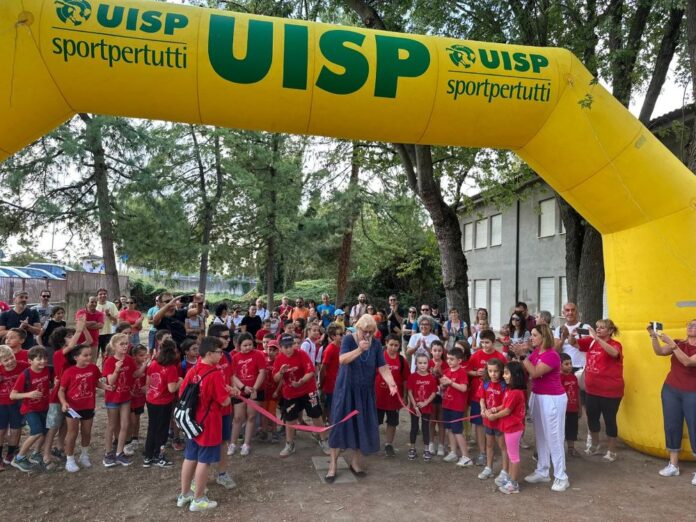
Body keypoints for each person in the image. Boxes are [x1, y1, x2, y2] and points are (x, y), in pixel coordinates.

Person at [325, 315, 398, 482]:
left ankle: (355, 463)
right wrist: (360, 349)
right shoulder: (348, 340)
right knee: (339, 426)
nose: (368, 335)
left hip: (365, 392)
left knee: (361, 426)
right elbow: (342, 359)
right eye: (365, 331)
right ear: (358, 328)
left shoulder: (376, 344)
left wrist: (391, 383)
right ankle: (332, 466)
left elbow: (383, 367)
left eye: (371, 332)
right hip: (346, 390)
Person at [178, 336, 233, 512]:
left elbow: (182, 392)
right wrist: (229, 393)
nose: (221, 355)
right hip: (209, 422)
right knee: (204, 461)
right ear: (209, 354)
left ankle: (185, 494)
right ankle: (199, 499)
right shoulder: (214, 373)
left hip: (192, 421)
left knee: (190, 457)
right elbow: (224, 401)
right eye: (219, 352)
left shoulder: (193, 369)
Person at [521, 324, 569, 492]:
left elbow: (534, 372)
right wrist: (522, 355)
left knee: (554, 436)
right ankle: (543, 470)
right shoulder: (536, 352)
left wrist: (523, 356)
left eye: (535, 335)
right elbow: (528, 369)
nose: (531, 337)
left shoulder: (552, 355)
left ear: (543, 336)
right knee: (540, 435)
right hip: (537, 395)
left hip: (552, 398)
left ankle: (561, 476)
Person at [648, 319, 696, 482]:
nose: (691, 327)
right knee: (671, 425)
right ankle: (673, 465)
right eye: (690, 324)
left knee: (695, 427)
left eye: (695, 325)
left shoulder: (676, 345)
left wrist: (673, 345)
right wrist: (653, 337)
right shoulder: (679, 343)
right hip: (671, 390)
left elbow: (688, 362)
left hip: (693, 392)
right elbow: (660, 351)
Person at [273, 334, 330, 458]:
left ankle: (323, 440)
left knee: (316, 415)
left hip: (308, 390)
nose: (289, 349)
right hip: (290, 393)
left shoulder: (301, 354)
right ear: (280, 348)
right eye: (285, 347)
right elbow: (276, 378)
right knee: (290, 419)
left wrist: (301, 382)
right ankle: (289, 444)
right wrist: (281, 372)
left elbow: (311, 371)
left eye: (291, 346)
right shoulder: (279, 359)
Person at [58, 343, 111, 473]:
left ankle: (84, 455)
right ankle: (70, 459)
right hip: (73, 408)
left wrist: (105, 387)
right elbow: (61, 390)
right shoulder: (69, 372)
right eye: (85, 355)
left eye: (90, 355)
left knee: (86, 432)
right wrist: (64, 403)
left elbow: (96, 382)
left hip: (88, 405)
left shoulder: (93, 368)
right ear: (76, 357)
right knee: (72, 433)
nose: (89, 357)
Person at [578, 319, 624, 462]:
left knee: (610, 420)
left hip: (610, 391)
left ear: (610, 331)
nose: (598, 329)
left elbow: (614, 353)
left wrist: (597, 338)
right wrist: (569, 335)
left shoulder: (615, 344)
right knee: (592, 418)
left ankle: (612, 451)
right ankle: (596, 444)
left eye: (602, 328)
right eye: (597, 327)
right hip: (592, 389)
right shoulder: (592, 342)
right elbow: (574, 344)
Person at [485, 361, 527, 494]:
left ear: (515, 375)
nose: (504, 376)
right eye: (504, 373)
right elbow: (504, 405)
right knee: (510, 454)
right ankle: (510, 478)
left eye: (507, 373)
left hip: (513, 428)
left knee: (514, 457)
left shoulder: (515, 393)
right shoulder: (510, 390)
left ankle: (513, 484)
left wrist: (494, 416)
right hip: (509, 427)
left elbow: (507, 411)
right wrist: (494, 409)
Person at [467, 329, 507, 467]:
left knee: (496, 424)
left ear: (493, 342)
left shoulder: (500, 357)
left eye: (487, 342)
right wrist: (475, 373)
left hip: (497, 398)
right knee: (479, 424)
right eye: (482, 342)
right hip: (479, 396)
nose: (484, 345)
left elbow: (506, 373)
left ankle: (494, 450)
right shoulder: (476, 355)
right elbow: (467, 370)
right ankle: (483, 452)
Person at [102, 333, 141, 467]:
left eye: (126, 343)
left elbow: (134, 374)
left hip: (126, 397)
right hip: (113, 398)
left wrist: (145, 365)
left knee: (125, 424)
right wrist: (117, 370)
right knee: (112, 425)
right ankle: (108, 453)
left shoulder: (129, 359)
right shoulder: (109, 361)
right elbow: (111, 381)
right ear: (114, 346)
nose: (125, 346)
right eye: (122, 344)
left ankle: (119, 453)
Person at [9, 346, 50, 471]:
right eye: (39, 359)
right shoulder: (25, 375)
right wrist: (28, 394)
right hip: (30, 409)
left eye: (45, 358)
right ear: (30, 361)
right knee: (36, 431)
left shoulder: (48, 369)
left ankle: (36, 453)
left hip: (44, 406)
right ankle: (19, 458)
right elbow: (13, 395)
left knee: (45, 431)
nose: (43, 361)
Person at [144, 339, 182, 468]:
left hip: (151, 400)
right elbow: (172, 388)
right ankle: (159, 456)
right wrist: (180, 381)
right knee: (162, 430)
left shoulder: (153, 364)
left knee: (152, 428)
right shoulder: (171, 368)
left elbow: (148, 383)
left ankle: (148, 456)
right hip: (163, 403)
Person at [229, 332, 266, 457]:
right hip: (241, 391)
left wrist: (254, 388)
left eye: (250, 344)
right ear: (239, 346)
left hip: (255, 390)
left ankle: (246, 444)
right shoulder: (235, 357)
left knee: (251, 417)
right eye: (245, 345)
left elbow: (262, 372)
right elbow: (233, 375)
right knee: (237, 417)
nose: (248, 347)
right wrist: (243, 387)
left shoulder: (259, 354)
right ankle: (232, 443)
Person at [376, 335, 409, 457]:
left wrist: (405, 396)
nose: (393, 348)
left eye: (396, 345)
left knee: (392, 422)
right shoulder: (379, 357)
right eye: (391, 345)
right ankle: (372, 443)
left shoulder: (402, 360)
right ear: (386, 343)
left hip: (394, 399)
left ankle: (388, 444)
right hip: (378, 397)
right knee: (375, 422)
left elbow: (405, 380)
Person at [440, 347, 472, 467]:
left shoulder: (462, 372)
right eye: (448, 358)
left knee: (457, 431)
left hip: (456, 407)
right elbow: (444, 387)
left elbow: (463, 388)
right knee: (449, 429)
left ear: (459, 360)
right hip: (446, 404)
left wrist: (450, 383)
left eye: (452, 359)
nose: (449, 361)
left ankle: (466, 457)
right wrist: (442, 386)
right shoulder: (446, 371)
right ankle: (453, 452)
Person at [478, 358, 508, 482]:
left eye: (496, 371)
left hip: (499, 420)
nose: (493, 374)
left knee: (502, 446)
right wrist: (483, 409)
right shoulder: (485, 383)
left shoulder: (504, 385)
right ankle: (488, 468)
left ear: (501, 371)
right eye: (490, 371)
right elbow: (482, 398)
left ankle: (505, 470)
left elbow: (506, 403)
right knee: (489, 444)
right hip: (488, 420)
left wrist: (495, 409)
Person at [0, 344, 29, 469]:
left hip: (17, 403)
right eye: (6, 360)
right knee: (1, 430)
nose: (10, 361)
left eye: (11, 357)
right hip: (1, 404)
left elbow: (35, 370)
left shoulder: (23, 366)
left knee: (16, 429)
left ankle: (11, 453)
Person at [406, 353, 437, 461]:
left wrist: (425, 403)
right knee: (414, 427)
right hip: (415, 408)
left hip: (426, 408)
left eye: (425, 363)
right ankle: (412, 448)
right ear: (416, 364)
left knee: (425, 428)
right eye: (420, 363)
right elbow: (409, 391)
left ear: (428, 364)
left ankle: (426, 449)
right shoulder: (412, 377)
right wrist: (415, 405)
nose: (422, 365)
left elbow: (433, 393)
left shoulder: (431, 378)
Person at [554, 302, 591, 372]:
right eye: (567, 310)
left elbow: (587, 347)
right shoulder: (559, 329)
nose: (570, 313)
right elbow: (556, 351)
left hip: (581, 367)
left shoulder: (585, 327)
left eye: (573, 310)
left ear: (576, 312)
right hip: (564, 369)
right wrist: (563, 339)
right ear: (563, 313)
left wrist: (569, 336)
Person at [126, 344, 148, 456]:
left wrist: (147, 387)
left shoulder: (147, 368)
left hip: (140, 398)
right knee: (131, 420)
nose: (144, 357)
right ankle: (128, 440)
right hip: (130, 398)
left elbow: (148, 380)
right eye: (141, 355)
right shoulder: (131, 366)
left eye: (145, 355)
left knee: (137, 419)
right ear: (134, 356)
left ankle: (135, 438)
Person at [428, 340, 448, 456]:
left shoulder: (446, 364)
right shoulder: (427, 363)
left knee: (441, 420)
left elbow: (448, 380)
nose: (437, 353)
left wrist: (440, 373)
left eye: (439, 350)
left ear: (442, 352)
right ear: (431, 351)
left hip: (443, 395)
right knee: (431, 420)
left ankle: (441, 445)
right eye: (435, 350)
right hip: (430, 395)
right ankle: (431, 443)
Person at [320, 323, 342, 423]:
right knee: (328, 405)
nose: (342, 336)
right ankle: (324, 423)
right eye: (340, 334)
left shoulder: (341, 346)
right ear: (333, 336)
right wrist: (321, 383)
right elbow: (323, 368)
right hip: (330, 383)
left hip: (338, 381)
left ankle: (328, 421)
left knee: (332, 405)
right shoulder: (330, 349)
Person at [559, 353, 581, 457]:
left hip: (573, 408)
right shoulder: (558, 378)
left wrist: (579, 407)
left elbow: (577, 392)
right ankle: (559, 450)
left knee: (572, 428)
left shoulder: (574, 377)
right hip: (562, 409)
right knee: (561, 429)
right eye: (566, 364)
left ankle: (571, 448)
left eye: (570, 363)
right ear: (559, 365)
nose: (570, 366)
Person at [75, 296, 105, 362]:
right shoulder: (81, 312)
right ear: (87, 303)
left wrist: (84, 325)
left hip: (94, 342)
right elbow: (79, 323)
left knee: (92, 362)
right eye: (92, 302)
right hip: (80, 341)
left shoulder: (100, 314)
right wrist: (93, 322)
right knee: (79, 362)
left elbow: (100, 325)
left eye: (95, 302)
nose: (94, 304)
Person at [96, 288, 120, 359]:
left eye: (104, 294)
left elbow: (115, 321)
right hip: (96, 334)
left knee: (106, 355)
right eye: (100, 294)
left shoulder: (111, 305)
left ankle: (105, 366)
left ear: (107, 295)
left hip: (108, 333)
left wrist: (108, 315)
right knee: (95, 355)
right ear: (97, 296)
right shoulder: (94, 305)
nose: (102, 295)